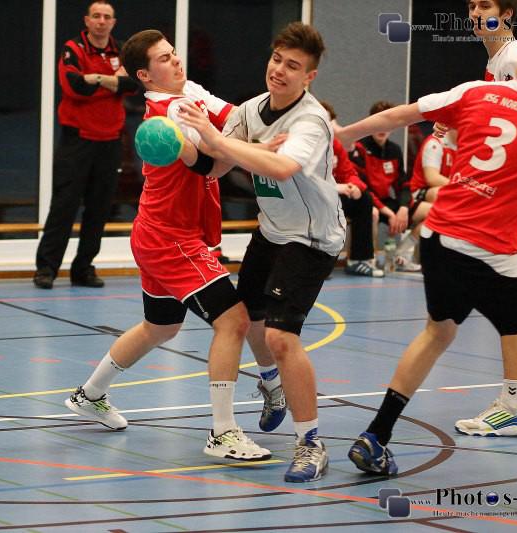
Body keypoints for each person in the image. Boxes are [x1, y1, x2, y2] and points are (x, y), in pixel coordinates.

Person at [336, 12, 517, 475]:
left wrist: (338, 137)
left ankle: (375, 436)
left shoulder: (474, 91)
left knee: (439, 332)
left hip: (437, 237)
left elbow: (399, 115)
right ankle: (515, 405)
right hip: (487, 251)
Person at [64, 29, 271, 462]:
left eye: (174, 53)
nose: (176, 61)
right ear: (145, 75)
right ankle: (223, 433)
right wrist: (266, 147)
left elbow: (235, 116)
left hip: (157, 232)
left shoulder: (188, 90)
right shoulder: (166, 114)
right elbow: (212, 163)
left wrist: (280, 117)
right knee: (233, 322)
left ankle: (90, 393)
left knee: (160, 327)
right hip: (169, 239)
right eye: (164, 59)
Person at [180, 22, 346, 482]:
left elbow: (282, 166)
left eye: (293, 66)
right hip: (272, 230)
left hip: (311, 239)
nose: (279, 70)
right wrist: (181, 144)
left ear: (309, 76)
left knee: (279, 337)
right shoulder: (250, 110)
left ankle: (311, 443)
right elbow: (215, 166)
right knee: (248, 318)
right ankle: (273, 385)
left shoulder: (311, 121)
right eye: (277, 59)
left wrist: (218, 140)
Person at [456, 0, 517, 422]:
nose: (476, 13)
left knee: (507, 289)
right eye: (472, 6)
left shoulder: (515, 59)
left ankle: (513, 402)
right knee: (503, 289)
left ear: (508, 14)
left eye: (486, 5)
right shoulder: (496, 62)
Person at [33, 1, 140, 289]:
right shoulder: (73, 49)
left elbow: (133, 85)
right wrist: (112, 83)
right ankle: (46, 269)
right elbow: (74, 87)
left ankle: (83, 269)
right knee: (64, 206)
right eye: (96, 16)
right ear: (87, 20)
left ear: (113, 22)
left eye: (107, 17)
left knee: (99, 208)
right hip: (77, 141)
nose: (101, 21)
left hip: (110, 142)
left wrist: (97, 79)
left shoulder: (123, 51)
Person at [349, 101, 422, 272]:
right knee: (371, 213)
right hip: (368, 201)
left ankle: (401, 256)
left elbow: (403, 184)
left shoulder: (395, 150)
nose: (382, 128)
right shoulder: (359, 148)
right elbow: (363, 187)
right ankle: (368, 259)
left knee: (432, 212)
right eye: (379, 123)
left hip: (387, 202)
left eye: (387, 123)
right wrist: (389, 213)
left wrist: (403, 208)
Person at [320, 100, 384, 278]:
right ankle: (318, 263)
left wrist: (354, 186)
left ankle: (358, 260)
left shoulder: (335, 145)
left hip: (332, 195)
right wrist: (337, 187)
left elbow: (349, 172)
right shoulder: (303, 144)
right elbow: (306, 178)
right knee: (323, 205)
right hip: (309, 198)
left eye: (328, 120)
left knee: (364, 199)